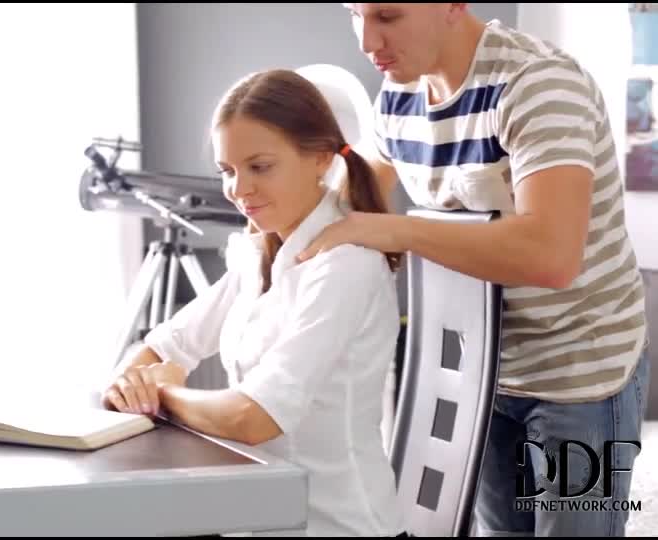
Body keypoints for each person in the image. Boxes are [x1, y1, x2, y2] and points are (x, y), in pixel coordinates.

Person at [297, 4, 650, 537]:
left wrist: (396, 230)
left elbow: (552, 256)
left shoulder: (538, 84)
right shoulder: (398, 93)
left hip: (579, 367)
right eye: (355, 13)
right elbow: (359, 194)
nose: (367, 41)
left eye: (387, 15)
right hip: (479, 370)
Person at [101, 68, 406, 537]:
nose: (238, 189)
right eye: (227, 171)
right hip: (264, 518)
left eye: (259, 167)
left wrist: (161, 395)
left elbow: (254, 418)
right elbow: (164, 346)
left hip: (338, 528)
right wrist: (133, 382)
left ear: (321, 159)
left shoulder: (344, 267)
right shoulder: (259, 251)